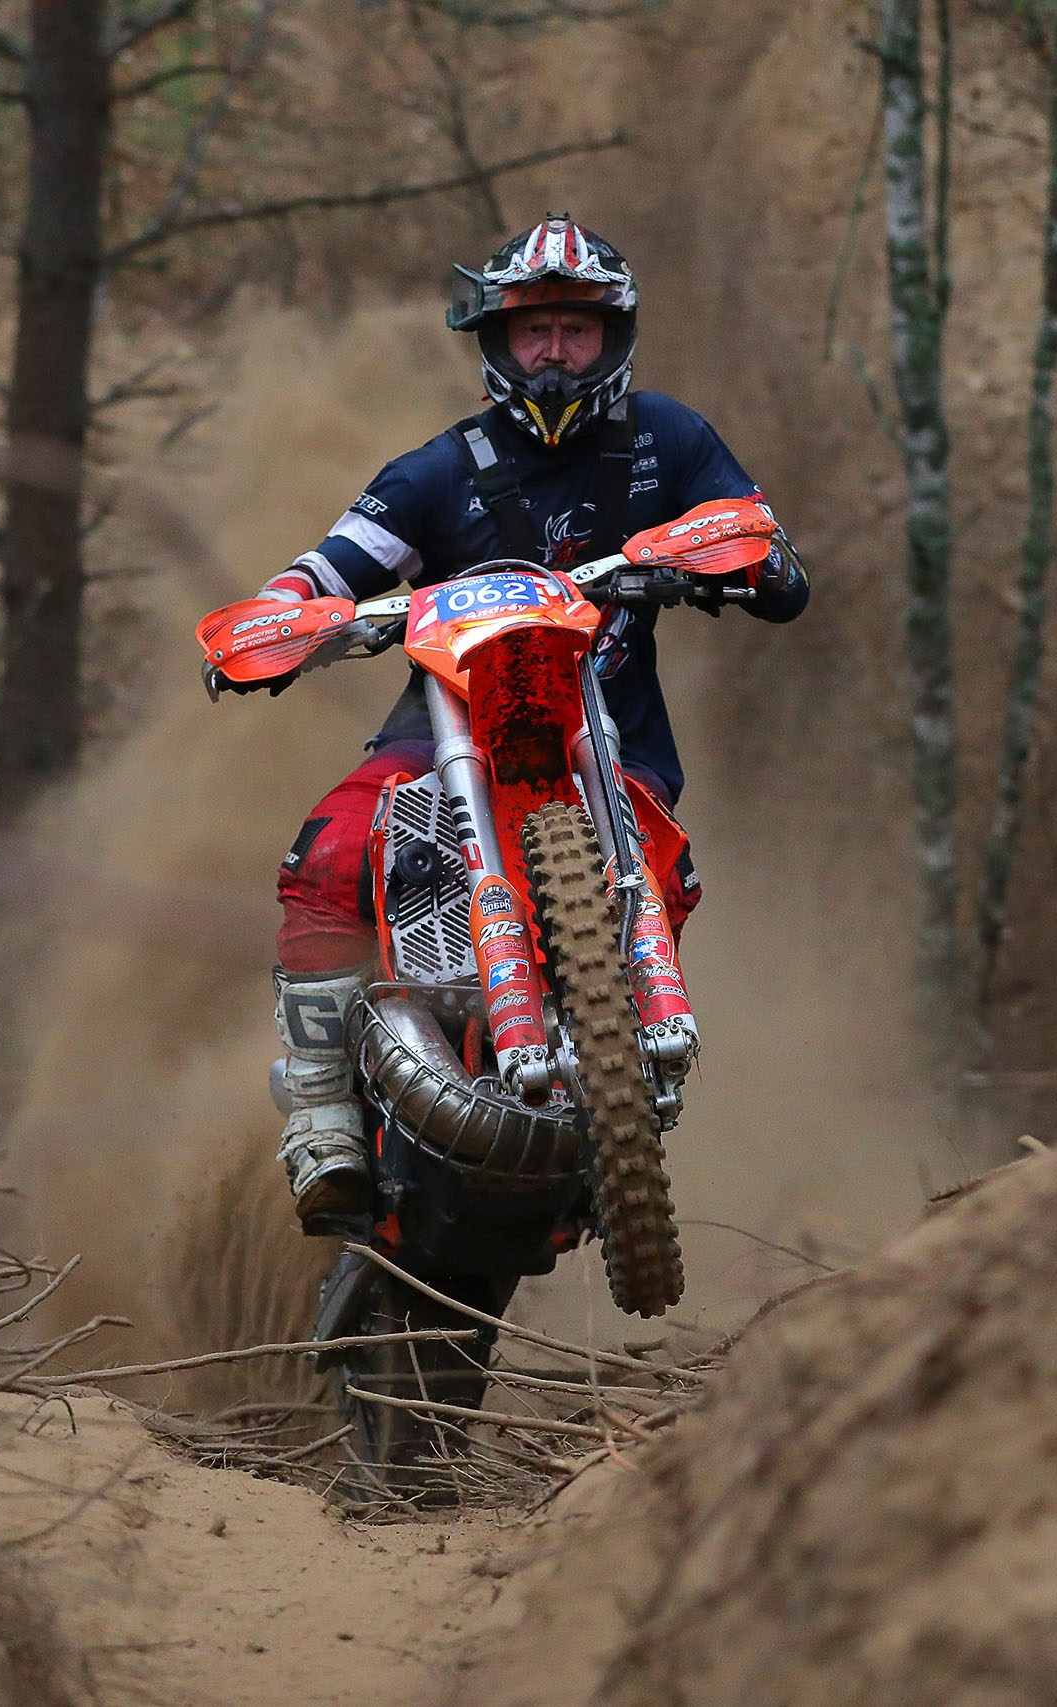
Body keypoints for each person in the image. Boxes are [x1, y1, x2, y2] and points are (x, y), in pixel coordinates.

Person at [219, 213, 810, 1223]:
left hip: (604, 740)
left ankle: (621, 1062)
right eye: (532, 331)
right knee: (327, 854)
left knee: (663, 868)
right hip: (439, 735)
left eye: (575, 330)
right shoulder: (435, 472)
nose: (552, 351)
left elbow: (757, 540)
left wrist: (737, 558)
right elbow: (326, 568)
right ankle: (318, 1107)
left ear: (611, 338)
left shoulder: (667, 441)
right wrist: (278, 619)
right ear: (495, 343)